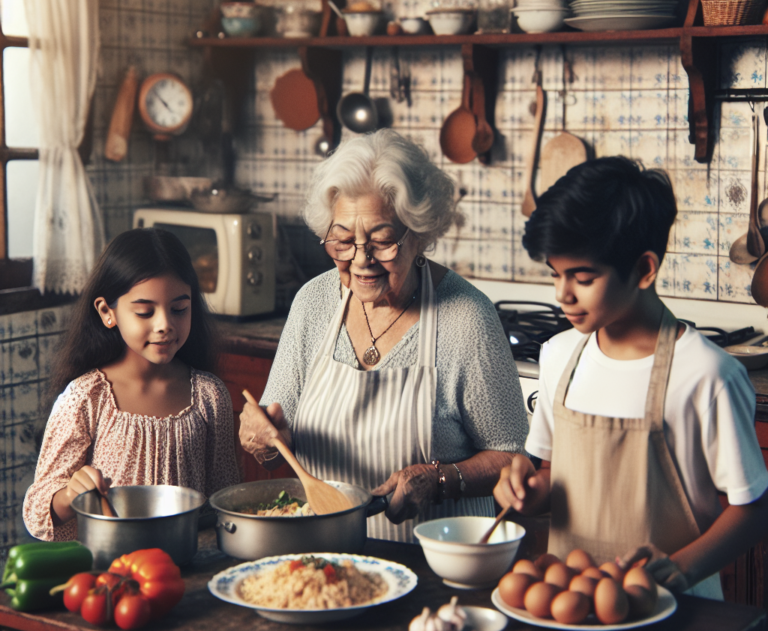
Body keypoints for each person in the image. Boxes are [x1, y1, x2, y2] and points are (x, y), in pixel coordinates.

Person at [493, 156, 768, 599]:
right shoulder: (559, 357)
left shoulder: (708, 375)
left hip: (677, 610)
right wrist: (527, 490)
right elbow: (555, 478)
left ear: (644, 269)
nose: (562, 294)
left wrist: (681, 568)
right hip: (574, 609)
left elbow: (754, 511)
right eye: (556, 274)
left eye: (583, 278)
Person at [239, 129, 528, 541]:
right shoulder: (312, 303)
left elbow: (512, 458)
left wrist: (440, 479)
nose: (361, 259)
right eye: (342, 240)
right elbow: (275, 443)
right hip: (328, 554)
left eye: (382, 241)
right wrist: (264, 440)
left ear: (419, 234)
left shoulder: (466, 317)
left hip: (439, 557)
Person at [24, 228, 239, 541]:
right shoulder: (86, 398)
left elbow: (226, 500)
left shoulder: (210, 396)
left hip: (188, 564)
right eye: (144, 312)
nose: (164, 324)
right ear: (107, 312)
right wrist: (70, 495)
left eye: (179, 309)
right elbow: (37, 510)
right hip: (113, 566)